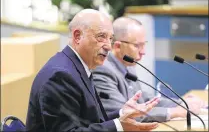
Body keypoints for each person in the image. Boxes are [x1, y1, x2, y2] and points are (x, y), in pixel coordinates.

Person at [25, 9, 160, 132]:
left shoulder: (78, 66)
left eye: (110, 38)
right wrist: (119, 125)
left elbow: (90, 120)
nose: (108, 46)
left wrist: (122, 113)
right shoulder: (60, 75)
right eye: (101, 36)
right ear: (77, 36)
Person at [92, 17, 205, 122]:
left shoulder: (128, 65)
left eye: (144, 45)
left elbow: (144, 99)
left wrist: (181, 103)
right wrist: (174, 112)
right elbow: (124, 113)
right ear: (117, 46)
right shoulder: (103, 70)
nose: (143, 52)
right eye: (137, 46)